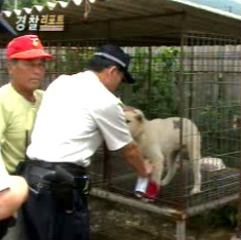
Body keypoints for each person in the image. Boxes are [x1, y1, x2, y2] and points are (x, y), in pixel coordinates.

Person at [24, 44, 152, 240]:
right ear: (112, 71)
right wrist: (145, 171)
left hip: (33, 179)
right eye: (120, 79)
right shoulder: (105, 101)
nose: (119, 84)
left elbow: (80, 109)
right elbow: (130, 151)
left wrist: (118, 108)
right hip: (62, 185)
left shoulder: (62, 82)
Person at [0, 34, 53, 240]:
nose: (38, 70)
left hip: (41, 183)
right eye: (29, 64)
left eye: (40, 64)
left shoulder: (45, 98)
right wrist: (5, 191)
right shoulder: (3, 101)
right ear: (11, 67)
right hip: (11, 185)